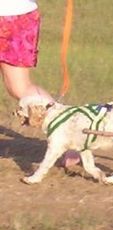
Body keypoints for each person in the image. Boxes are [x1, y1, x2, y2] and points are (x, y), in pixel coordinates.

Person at [0, 0, 80, 167]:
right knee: (19, 87)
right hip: (16, 14)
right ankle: (69, 138)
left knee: (19, 87)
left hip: (12, 15)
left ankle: (69, 138)